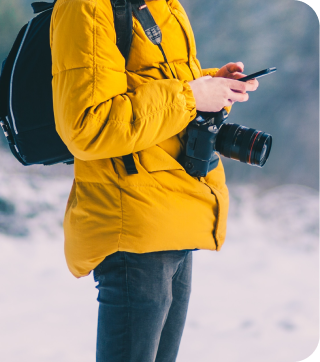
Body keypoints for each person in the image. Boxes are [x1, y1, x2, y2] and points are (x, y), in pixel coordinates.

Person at [50, 0, 258, 361]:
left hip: (175, 208)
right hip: (134, 219)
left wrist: (212, 86)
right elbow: (88, 124)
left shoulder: (162, 4)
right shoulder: (86, 6)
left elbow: (151, 81)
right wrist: (193, 96)